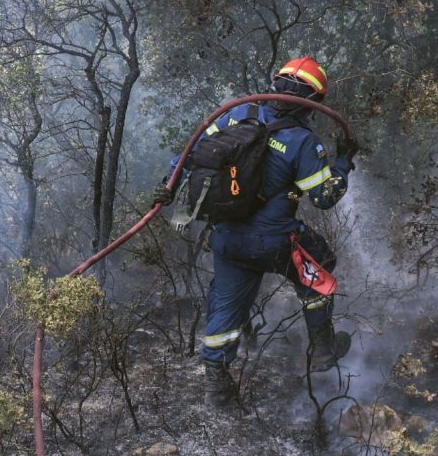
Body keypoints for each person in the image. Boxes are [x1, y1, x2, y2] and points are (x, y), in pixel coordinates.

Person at [154, 57, 360, 406]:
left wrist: (167, 186)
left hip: (228, 240)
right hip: (276, 242)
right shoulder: (303, 141)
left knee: (226, 307)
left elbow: (188, 156)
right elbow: (325, 198)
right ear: (314, 102)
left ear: (275, 84)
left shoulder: (236, 116)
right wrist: (342, 162)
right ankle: (323, 351)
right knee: (320, 264)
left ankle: (217, 389)